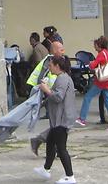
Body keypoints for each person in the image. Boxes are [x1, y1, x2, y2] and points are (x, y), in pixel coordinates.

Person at [33, 55, 76, 184]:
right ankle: (46, 169)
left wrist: (46, 90)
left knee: (61, 148)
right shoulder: (62, 78)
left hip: (61, 120)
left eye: (51, 65)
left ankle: (70, 176)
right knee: (51, 142)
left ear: (57, 66)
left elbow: (58, 97)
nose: (49, 67)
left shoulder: (62, 78)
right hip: (59, 119)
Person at [28, 40, 65, 156]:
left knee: (61, 125)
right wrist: (47, 92)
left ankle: (56, 149)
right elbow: (41, 78)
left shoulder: (60, 60)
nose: (63, 51)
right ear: (54, 50)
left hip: (58, 95)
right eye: (60, 49)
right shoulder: (49, 61)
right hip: (52, 96)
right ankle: (49, 146)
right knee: (60, 125)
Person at [76, 36, 108, 129]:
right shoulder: (106, 53)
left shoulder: (101, 54)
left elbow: (93, 65)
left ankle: (82, 118)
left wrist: (89, 64)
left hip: (101, 81)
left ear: (99, 45)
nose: (94, 47)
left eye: (95, 45)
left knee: (88, 97)